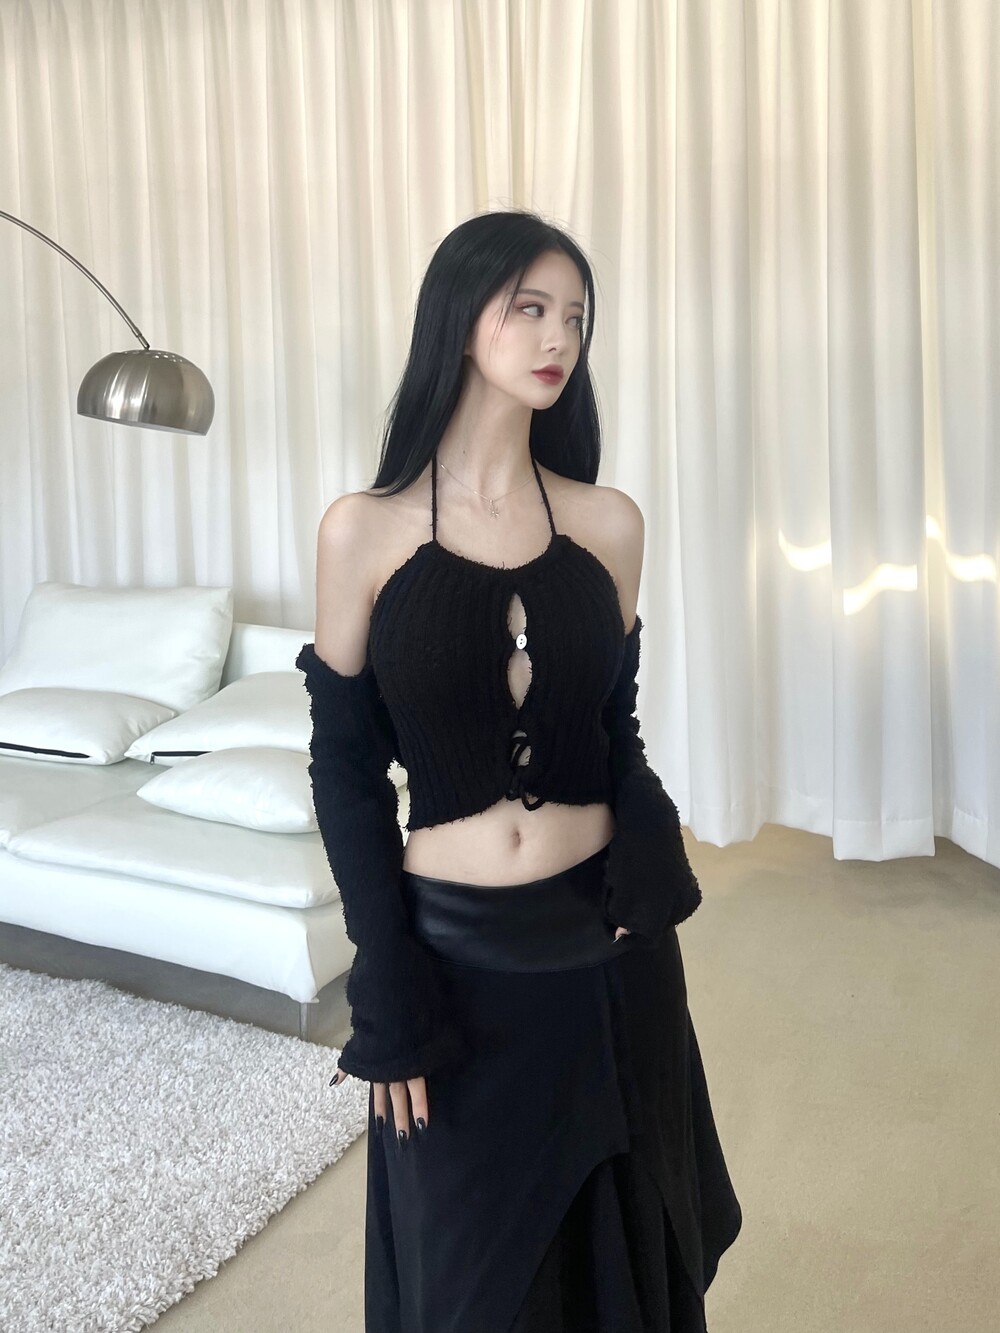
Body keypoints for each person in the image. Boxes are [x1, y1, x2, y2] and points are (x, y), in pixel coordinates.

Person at [296, 209, 742, 1332]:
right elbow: (345, 769)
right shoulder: (363, 531)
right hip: (454, 959)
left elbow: (613, 729)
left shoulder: (608, 523)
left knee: (622, 1264)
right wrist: (384, 975)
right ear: (460, 318)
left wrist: (652, 842)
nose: (559, 338)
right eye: (531, 308)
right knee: (469, 1283)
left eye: (576, 317)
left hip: (606, 951)